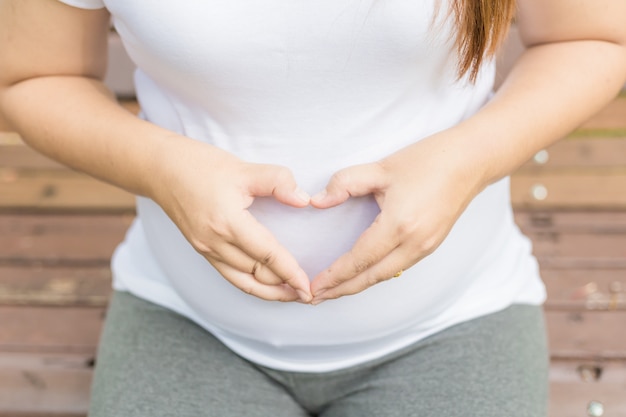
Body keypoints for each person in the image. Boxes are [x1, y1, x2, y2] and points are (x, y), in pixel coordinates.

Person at [1, 1, 625, 416]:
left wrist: (467, 160)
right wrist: (164, 170)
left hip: (455, 323)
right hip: (187, 321)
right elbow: (32, 76)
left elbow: (592, 35)